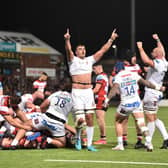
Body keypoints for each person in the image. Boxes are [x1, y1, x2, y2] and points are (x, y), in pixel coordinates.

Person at [64, 28, 118, 151]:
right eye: (80, 49)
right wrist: (67, 40)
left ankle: (89, 144)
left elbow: (102, 50)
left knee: (89, 117)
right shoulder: (73, 60)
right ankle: (78, 137)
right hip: (77, 91)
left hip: (88, 91)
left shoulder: (89, 60)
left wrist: (111, 39)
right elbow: (68, 50)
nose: (82, 51)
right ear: (76, 52)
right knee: (80, 120)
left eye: (83, 49)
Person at [105, 55, 165, 151]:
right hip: (136, 102)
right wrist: (159, 88)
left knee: (118, 121)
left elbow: (114, 89)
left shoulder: (118, 77)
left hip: (126, 104)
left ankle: (120, 144)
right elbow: (147, 83)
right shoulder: (132, 74)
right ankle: (149, 143)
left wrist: (107, 100)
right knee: (141, 123)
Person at [9, 90, 74, 149]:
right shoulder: (73, 98)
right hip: (56, 123)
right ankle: (46, 139)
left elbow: (42, 106)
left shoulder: (57, 93)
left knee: (26, 125)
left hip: (44, 119)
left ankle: (14, 143)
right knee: (62, 143)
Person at [137, 33, 168, 149]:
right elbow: (162, 50)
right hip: (157, 92)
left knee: (150, 118)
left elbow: (146, 60)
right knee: (154, 117)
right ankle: (166, 139)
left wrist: (140, 48)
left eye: (153, 52)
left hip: (152, 92)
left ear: (157, 54)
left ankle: (147, 142)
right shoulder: (164, 61)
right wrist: (158, 40)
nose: (152, 53)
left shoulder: (159, 63)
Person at [92, 64, 109, 144]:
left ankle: (103, 139)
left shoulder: (100, 77)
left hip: (100, 98)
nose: (93, 70)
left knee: (100, 119)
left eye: (94, 69)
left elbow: (96, 89)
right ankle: (103, 138)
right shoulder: (105, 76)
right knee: (100, 118)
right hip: (103, 98)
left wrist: (86, 93)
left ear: (99, 68)